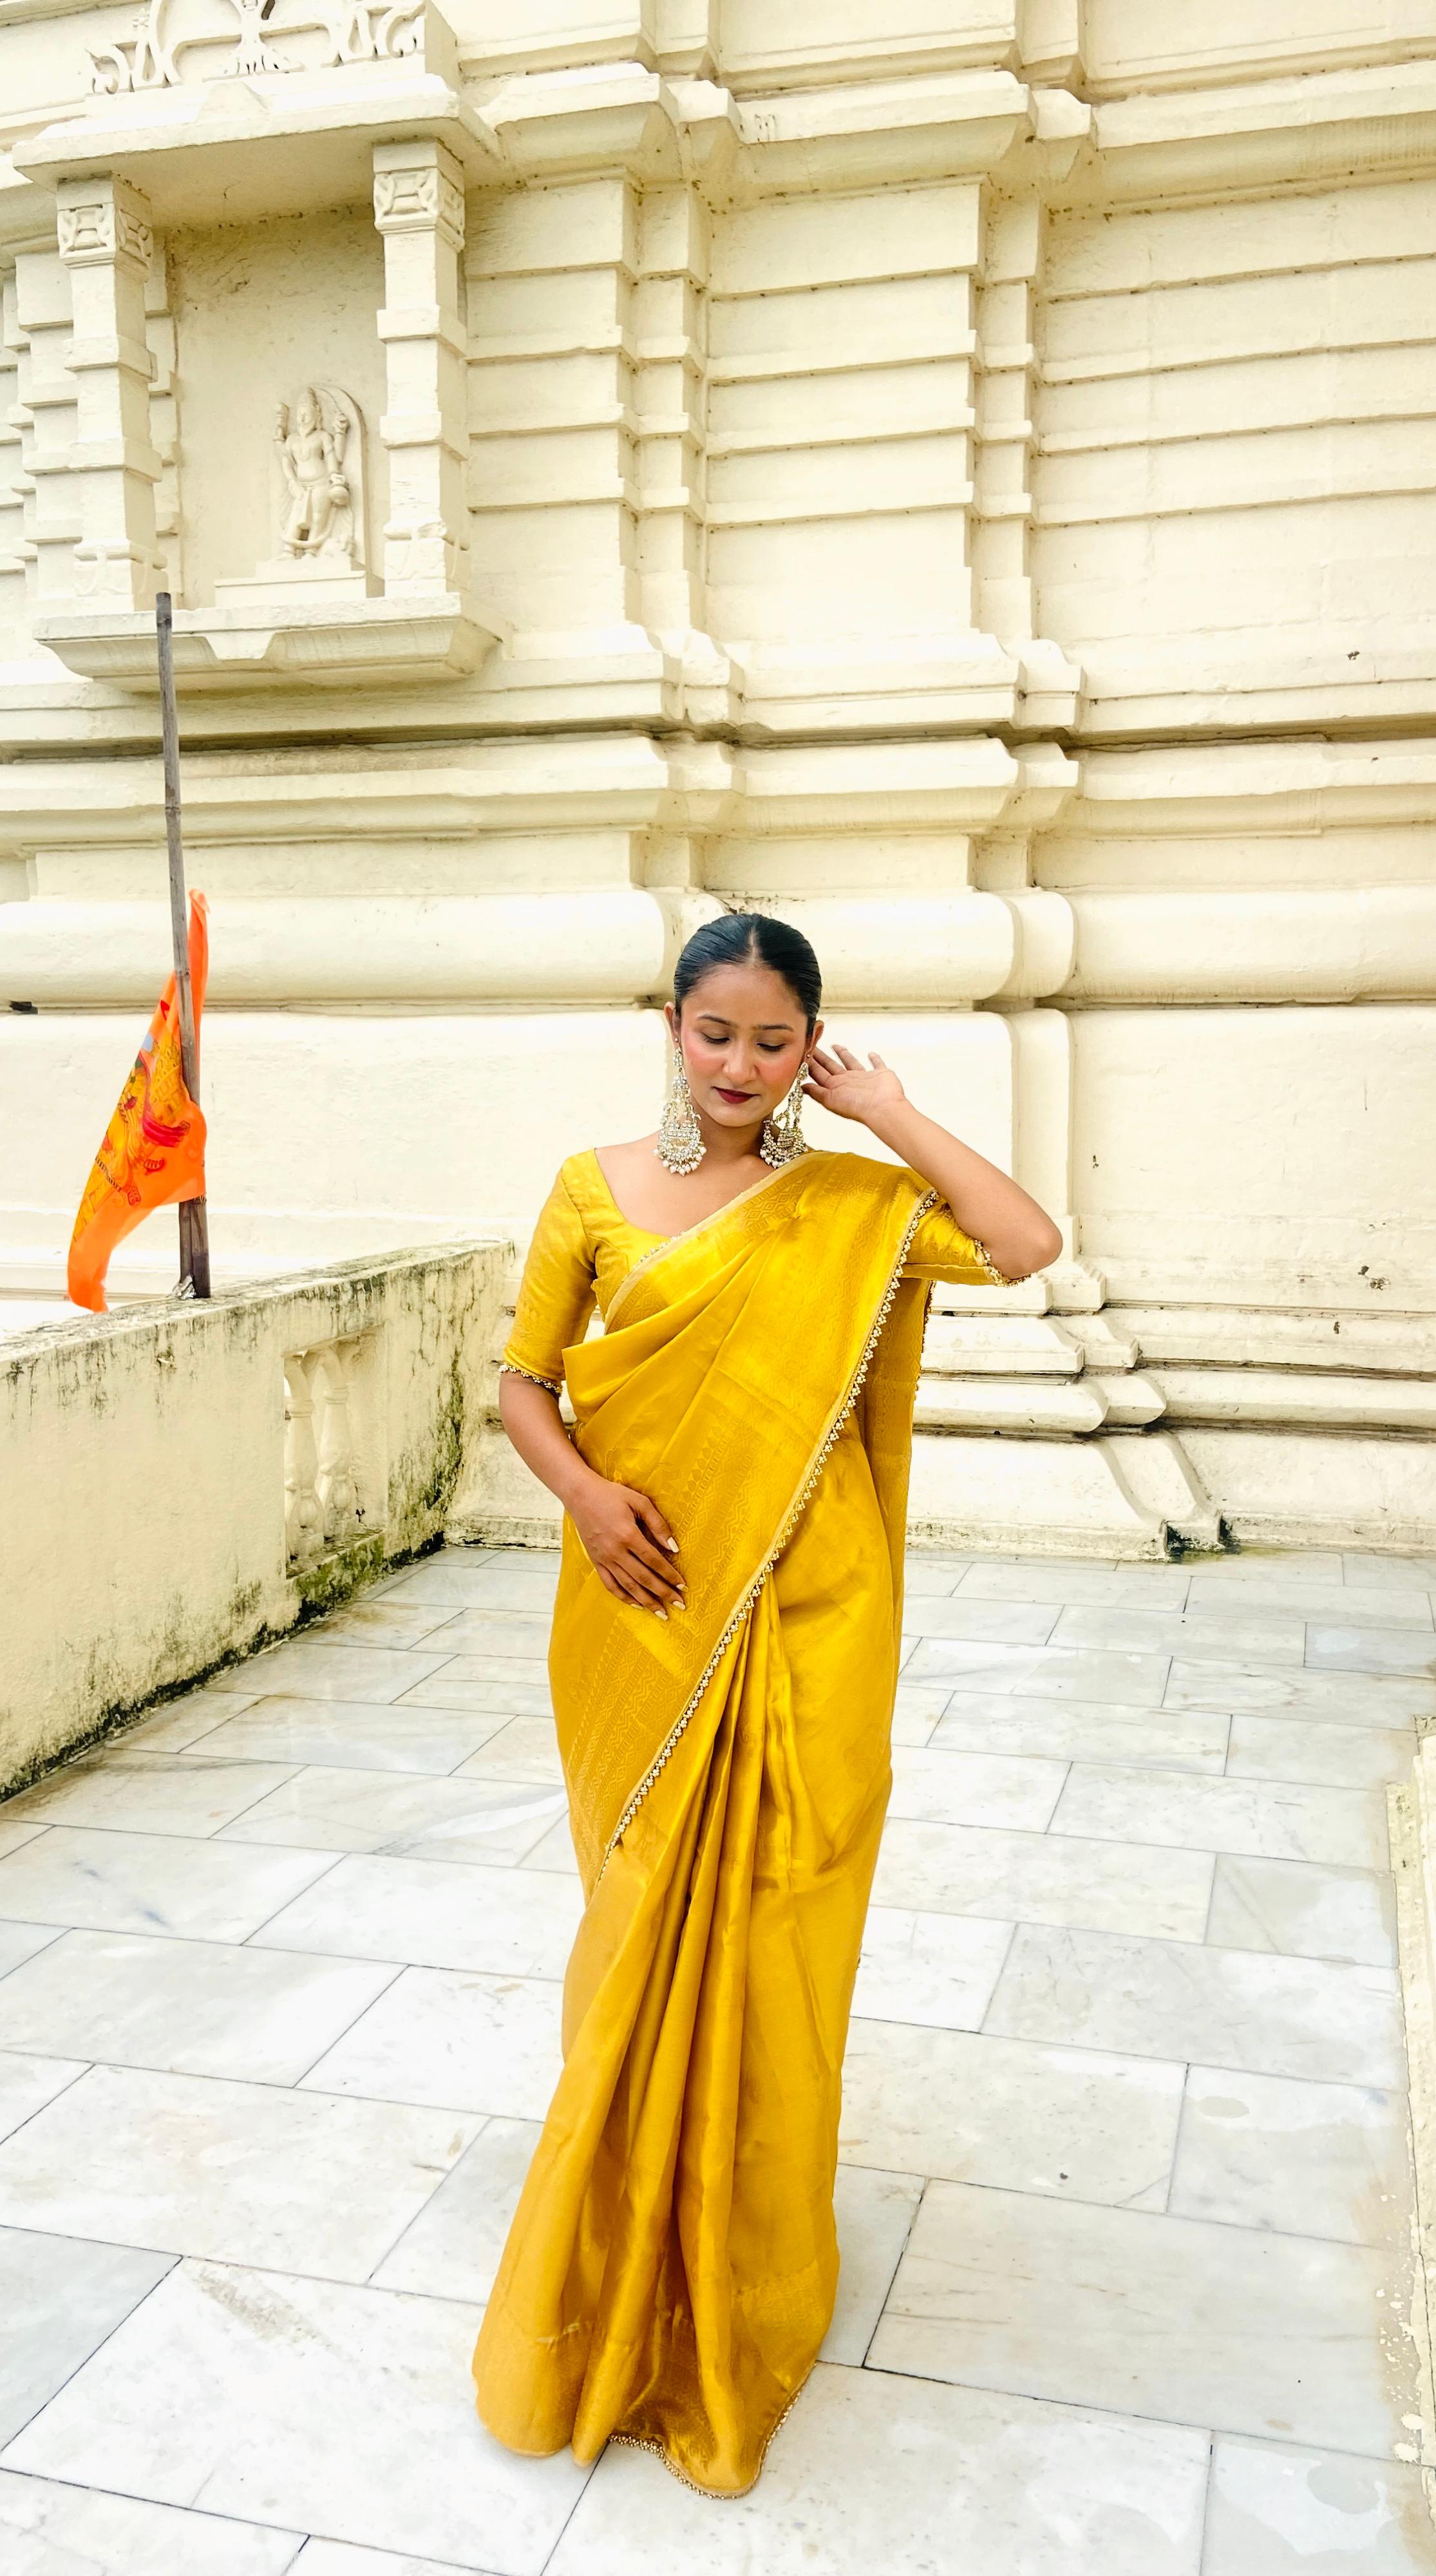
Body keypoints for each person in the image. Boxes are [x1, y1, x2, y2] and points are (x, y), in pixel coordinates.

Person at [471, 911, 1062, 2497]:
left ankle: (744, 2265)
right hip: (643, 1618)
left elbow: (1023, 1245)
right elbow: (525, 1380)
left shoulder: (849, 1202)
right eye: (715, 1031)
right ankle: (609, 2259)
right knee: (639, 1930)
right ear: (672, 1023)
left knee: (779, 1938)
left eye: (776, 1040)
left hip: (814, 1623)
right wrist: (588, 1498)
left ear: (813, 1042)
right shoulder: (593, 1189)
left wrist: (892, 1116)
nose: (740, 1066)